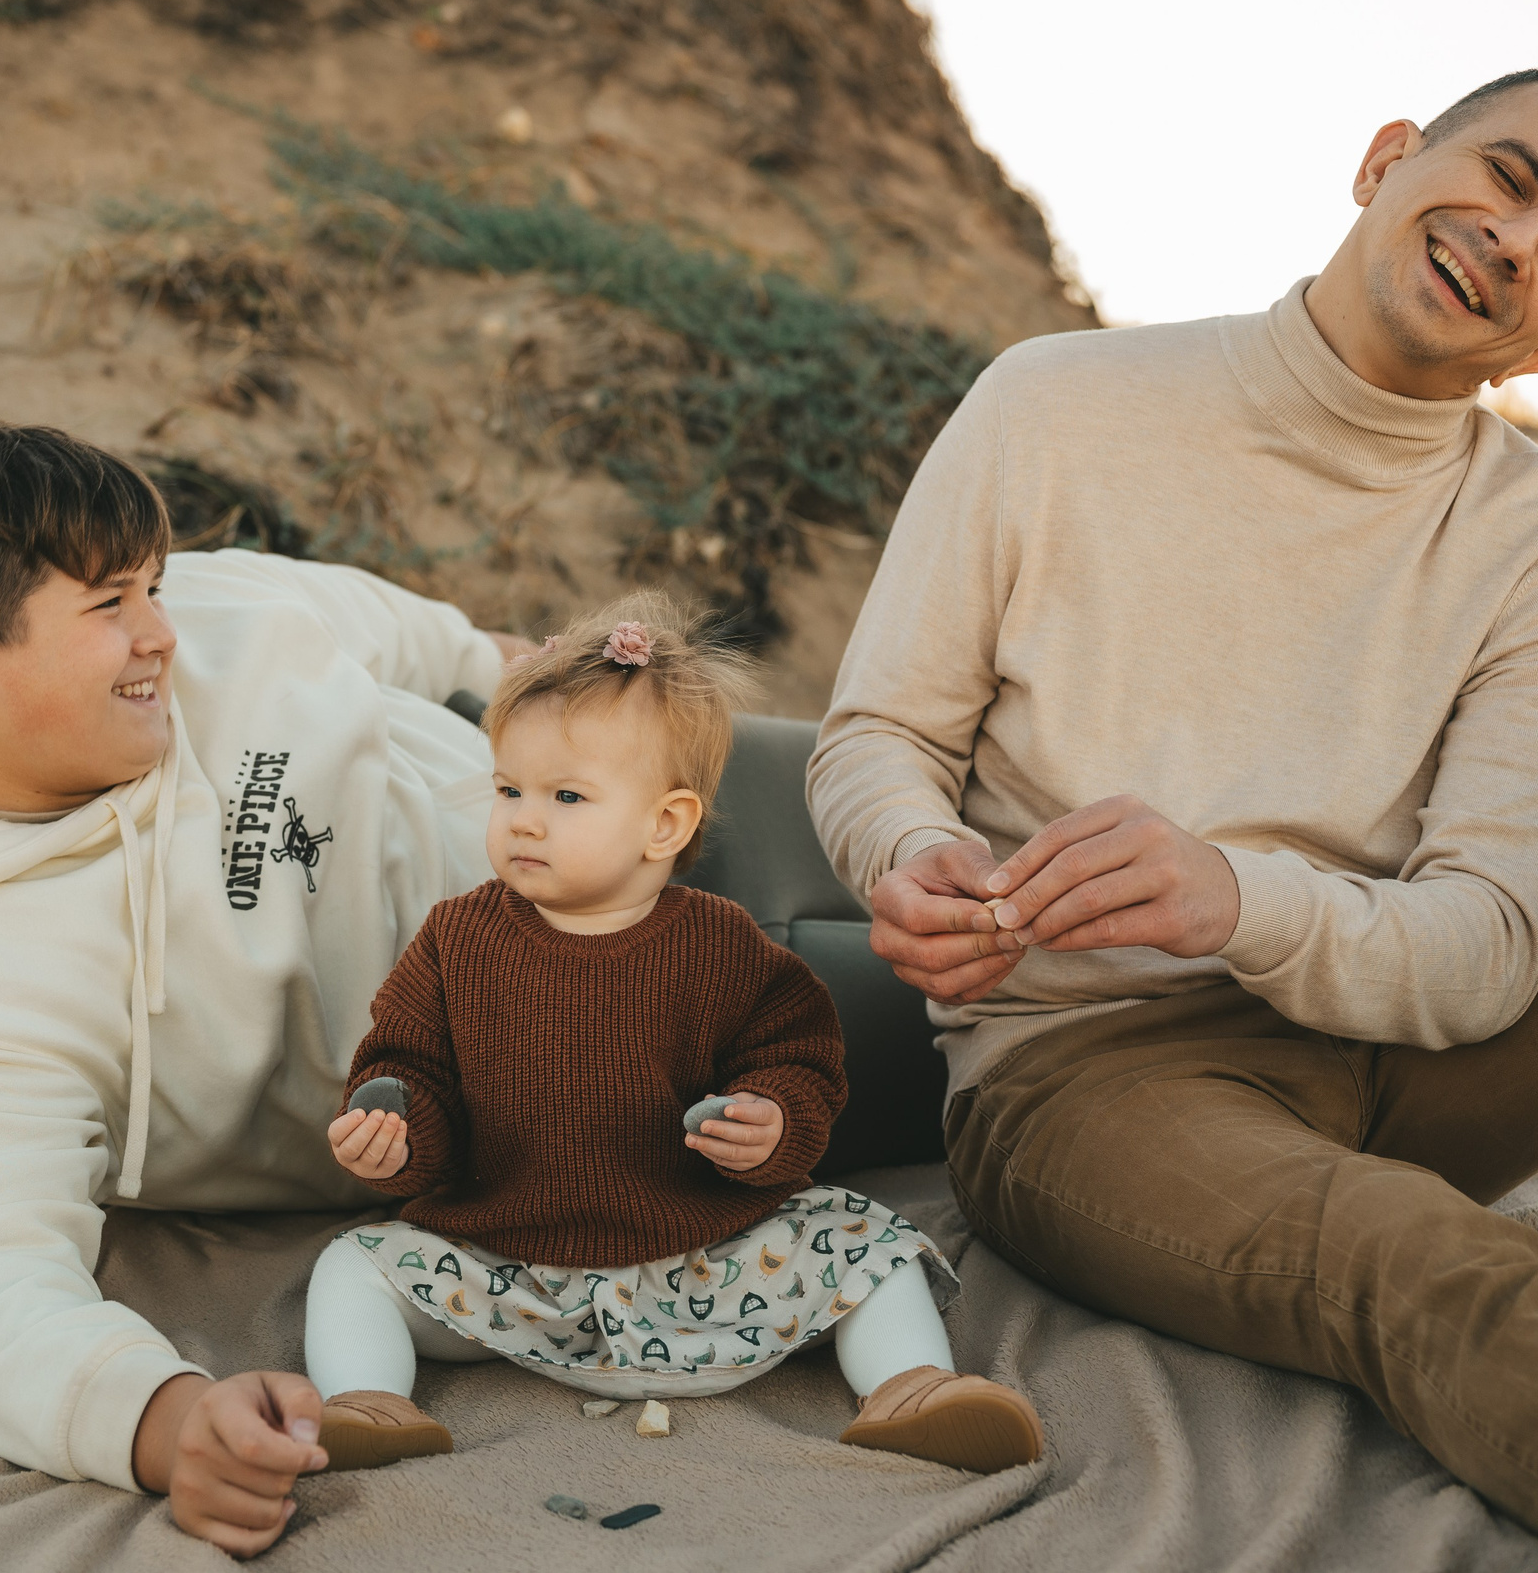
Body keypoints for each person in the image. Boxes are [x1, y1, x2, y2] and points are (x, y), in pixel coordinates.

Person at [809, 65, 1538, 1572]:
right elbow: (881, 735)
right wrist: (908, 849)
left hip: (1422, 1051)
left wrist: (1235, 894)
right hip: (1091, 1071)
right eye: (1509, 176)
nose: (1516, 240)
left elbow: (1489, 947)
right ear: (1387, 158)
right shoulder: (1052, 405)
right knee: (1433, 1258)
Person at [0, 419, 528, 1558]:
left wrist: (524, 672)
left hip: (611, 794)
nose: (162, 628)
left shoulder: (187, 615)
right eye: (110, 604)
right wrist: (164, 1420)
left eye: (152, 584)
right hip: (578, 1063)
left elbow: (379, 623)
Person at [299, 598, 1043, 1473]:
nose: (524, 818)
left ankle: (912, 1386)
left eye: (566, 796)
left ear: (667, 823)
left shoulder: (721, 944)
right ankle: (367, 1400)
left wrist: (770, 1122)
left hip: (706, 1264)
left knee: (871, 1244)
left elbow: (798, 1060)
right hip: (511, 1270)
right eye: (508, 789)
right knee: (352, 1265)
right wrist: (395, 1135)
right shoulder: (456, 938)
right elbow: (406, 1066)